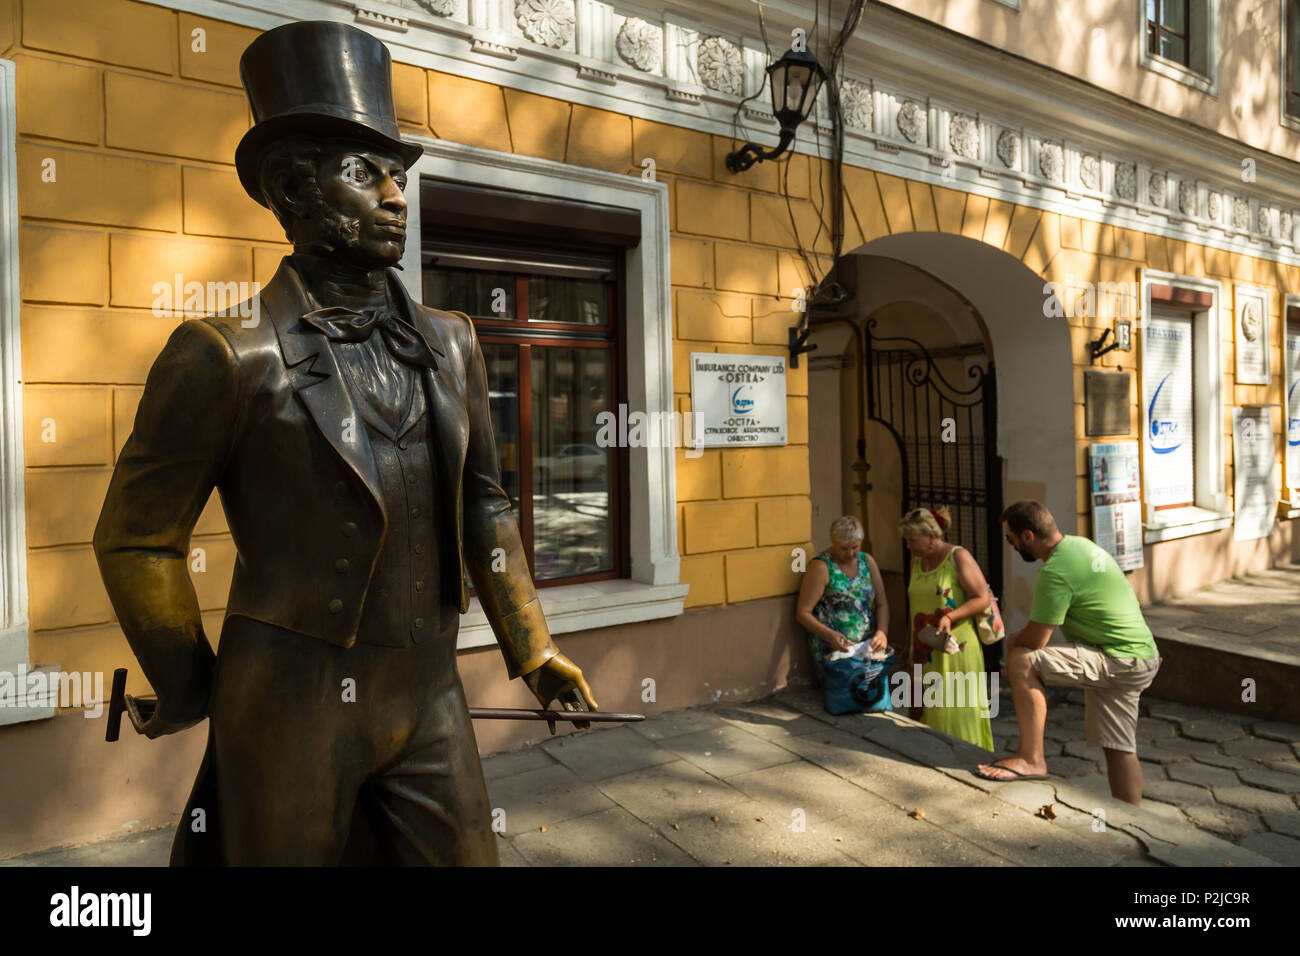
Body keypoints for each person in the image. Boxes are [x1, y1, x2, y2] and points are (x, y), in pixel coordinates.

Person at [92, 21, 595, 865]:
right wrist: (190, 687)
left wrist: (532, 643)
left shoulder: (453, 341)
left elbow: (485, 506)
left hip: (429, 691)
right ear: (293, 191)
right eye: (367, 174)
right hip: (288, 699)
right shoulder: (227, 353)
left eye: (398, 176)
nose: (398, 197)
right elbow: (138, 536)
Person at [976, 500, 1160, 806]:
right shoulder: (1080, 546)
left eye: (1011, 539)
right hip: (1140, 656)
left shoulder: (1056, 570)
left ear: (1027, 536)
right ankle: (1132, 817)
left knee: (1022, 659)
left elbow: (1037, 640)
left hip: (1119, 658)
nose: (1011, 546)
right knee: (1119, 747)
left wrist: (1016, 638)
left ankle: (1032, 758)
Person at [900, 506, 994, 750]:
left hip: (955, 651)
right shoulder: (916, 564)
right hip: (922, 652)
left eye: (913, 540)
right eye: (907, 541)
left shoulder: (958, 557)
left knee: (954, 712)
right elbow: (913, 608)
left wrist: (951, 616)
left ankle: (965, 760)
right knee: (926, 712)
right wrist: (907, 648)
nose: (909, 546)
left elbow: (982, 598)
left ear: (932, 537)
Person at [796, 516, 890, 685]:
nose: (851, 553)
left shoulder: (866, 561)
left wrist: (882, 631)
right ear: (833, 543)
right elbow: (803, 612)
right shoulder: (821, 566)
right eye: (844, 548)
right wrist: (830, 635)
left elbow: (882, 603)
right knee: (844, 695)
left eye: (855, 547)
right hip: (833, 649)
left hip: (865, 647)